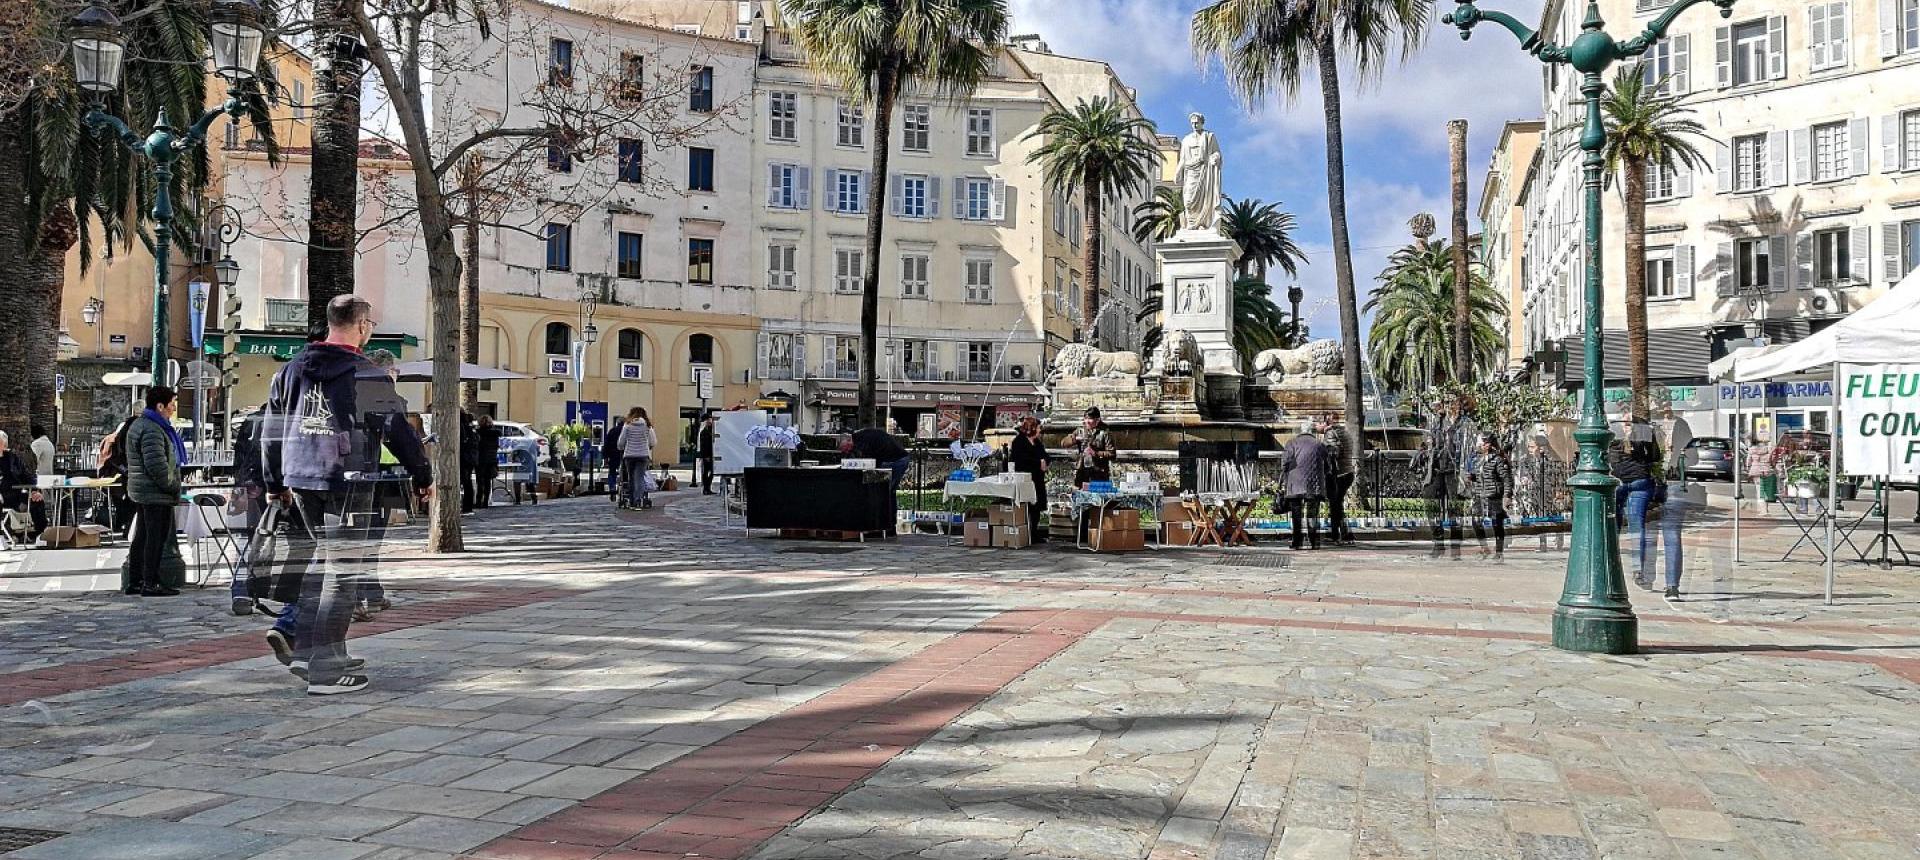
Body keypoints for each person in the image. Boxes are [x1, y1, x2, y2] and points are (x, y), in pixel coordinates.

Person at [260, 295, 431, 695]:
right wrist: (422, 474)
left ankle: (311, 652)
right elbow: (396, 429)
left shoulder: (292, 369)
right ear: (362, 325)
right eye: (369, 323)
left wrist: (274, 484)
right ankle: (325, 670)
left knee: (324, 563)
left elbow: (272, 430)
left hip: (301, 477)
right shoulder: (364, 372)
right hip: (348, 480)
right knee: (344, 572)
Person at [124, 387, 186, 597]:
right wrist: (173, 485)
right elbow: (157, 466)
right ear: (160, 406)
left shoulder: (144, 425)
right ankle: (150, 581)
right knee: (154, 538)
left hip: (144, 490)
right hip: (154, 493)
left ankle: (136, 580)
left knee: (142, 536)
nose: (174, 408)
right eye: (171, 403)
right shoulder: (152, 429)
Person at [1423, 395, 1476, 557]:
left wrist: (1469, 473)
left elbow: (1470, 450)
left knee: (1455, 510)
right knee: (1430, 501)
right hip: (1437, 469)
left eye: (1457, 406)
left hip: (1455, 472)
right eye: (1450, 404)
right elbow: (1429, 438)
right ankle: (1438, 543)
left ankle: (1455, 547)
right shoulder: (1439, 421)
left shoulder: (1467, 425)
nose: (1451, 407)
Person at [1280, 423, 1331, 551]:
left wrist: (1286, 475)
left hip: (1295, 484)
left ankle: (1297, 542)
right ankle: (1314, 541)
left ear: (1300, 430)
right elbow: (1328, 465)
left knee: (1296, 514)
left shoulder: (1291, 443)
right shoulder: (1319, 444)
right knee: (1312, 514)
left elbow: (1284, 463)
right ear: (1311, 431)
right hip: (1314, 485)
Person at [1609, 434, 1656, 569]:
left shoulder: (1612, 435)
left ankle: (1611, 562)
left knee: (1613, 523)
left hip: (1618, 480)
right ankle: (1638, 568)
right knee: (1636, 526)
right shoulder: (1643, 433)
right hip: (1640, 479)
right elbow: (1655, 455)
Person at [1466, 432, 1512, 559]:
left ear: (1490, 444)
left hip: (1494, 495)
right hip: (1480, 495)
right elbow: (1482, 477)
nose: (1482, 445)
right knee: (1476, 521)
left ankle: (1499, 552)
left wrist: (1507, 495)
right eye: (1481, 442)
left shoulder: (1497, 460)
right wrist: (1472, 477)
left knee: (1496, 523)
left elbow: (1506, 478)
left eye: (1484, 442)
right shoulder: (1479, 459)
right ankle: (1484, 548)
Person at [0, 431, 48, 541]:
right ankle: (4, 535)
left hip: (16, 494)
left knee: (37, 500)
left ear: (4, 444)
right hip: (2, 495)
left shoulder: (13, 458)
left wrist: (34, 490)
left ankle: (40, 534)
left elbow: (27, 476)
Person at [1008, 416, 1050, 541]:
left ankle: (1034, 532)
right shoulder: (1019, 441)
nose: (1039, 431)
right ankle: (1025, 531)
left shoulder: (1037, 442)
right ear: (1031, 428)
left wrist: (1045, 462)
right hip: (1025, 478)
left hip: (1037, 478)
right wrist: (1039, 463)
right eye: (1038, 428)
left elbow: (1045, 455)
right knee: (1027, 505)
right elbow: (1020, 460)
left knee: (1036, 505)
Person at [1321, 414, 1355, 546]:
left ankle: (1338, 536)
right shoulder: (1344, 432)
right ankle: (1342, 534)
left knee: (1335, 505)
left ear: (1326, 423)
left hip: (1338, 475)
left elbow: (1333, 452)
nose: (1315, 426)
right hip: (1348, 472)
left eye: (1317, 423)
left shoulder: (1330, 433)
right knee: (1337, 504)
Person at [845, 426, 911, 490]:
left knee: (884, 490)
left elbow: (870, 461)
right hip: (899, 458)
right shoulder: (862, 435)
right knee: (888, 490)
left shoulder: (862, 440)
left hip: (896, 460)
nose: (846, 450)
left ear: (848, 440)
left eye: (845, 448)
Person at [619, 406, 656, 509]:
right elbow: (653, 441)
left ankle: (632, 501)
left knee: (631, 478)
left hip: (629, 455)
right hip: (643, 455)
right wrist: (648, 446)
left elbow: (621, 442)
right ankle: (638, 500)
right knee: (639, 478)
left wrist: (622, 448)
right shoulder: (648, 426)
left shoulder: (627, 425)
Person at [1070, 408, 1115, 488]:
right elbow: (1063, 443)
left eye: (1090, 419)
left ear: (1097, 420)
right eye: (1085, 418)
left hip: (1099, 472)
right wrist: (1074, 439)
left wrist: (1096, 453)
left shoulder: (1105, 433)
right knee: (1082, 496)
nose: (1087, 421)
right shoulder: (1080, 430)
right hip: (1082, 471)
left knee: (1097, 497)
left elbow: (1112, 454)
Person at [474, 415, 502, 508]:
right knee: (488, 481)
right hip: (492, 459)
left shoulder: (478, 433)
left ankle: (479, 501)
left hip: (481, 459)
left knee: (480, 481)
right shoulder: (495, 434)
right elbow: (497, 446)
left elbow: (477, 446)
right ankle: (486, 501)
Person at [459, 411, 479, 513]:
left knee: (465, 481)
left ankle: (466, 506)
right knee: (468, 482)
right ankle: (468, 506)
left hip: (464, 458)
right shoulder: (471, 429)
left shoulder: (461, 428)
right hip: (470, 458)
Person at [602, 416, 625, 501]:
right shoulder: (626, 431)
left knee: (612, 472)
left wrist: (605, 457)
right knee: (625, 472)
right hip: (623, 455)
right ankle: (623, 488)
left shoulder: (612, 431)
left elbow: (606, 445)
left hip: (613, 455)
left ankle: (612, 488)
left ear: (617, 423)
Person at [697, 412, 717, 494]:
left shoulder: (710, 430)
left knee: (712, 471)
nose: (710, 421)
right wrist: (706, 456)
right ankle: (706, 488)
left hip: (711, 454)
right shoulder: (704, 431)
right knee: (707, 472)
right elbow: (703, 445)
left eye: (710, 419)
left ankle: (707, 488)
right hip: (707, 455)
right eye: (708, 419)